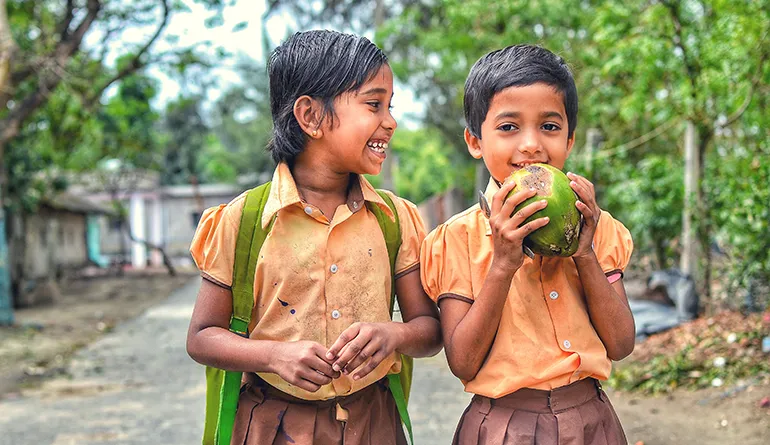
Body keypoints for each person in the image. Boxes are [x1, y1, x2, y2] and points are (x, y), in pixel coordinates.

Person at [186, 30, 441, 445]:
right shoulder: (244, 220)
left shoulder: (395, 219)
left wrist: (393, 335)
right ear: (310, 116)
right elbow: (201, 337)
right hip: (272, 426)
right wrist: (273, 355)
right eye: (374, 104)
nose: (390, 122)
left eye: (389, 106)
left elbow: (429, 330)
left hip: (373, 424)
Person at [420, 44, 635, 445]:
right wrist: (502, 264)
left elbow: (621, 344)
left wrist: (583, 252)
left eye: (550, 127)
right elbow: (463, 362)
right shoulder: (456, 240)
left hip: (591, 423)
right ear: (475, 141)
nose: (532, 145)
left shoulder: (599, 228)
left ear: (570, 140)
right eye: (508, 127)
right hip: (503, 427)